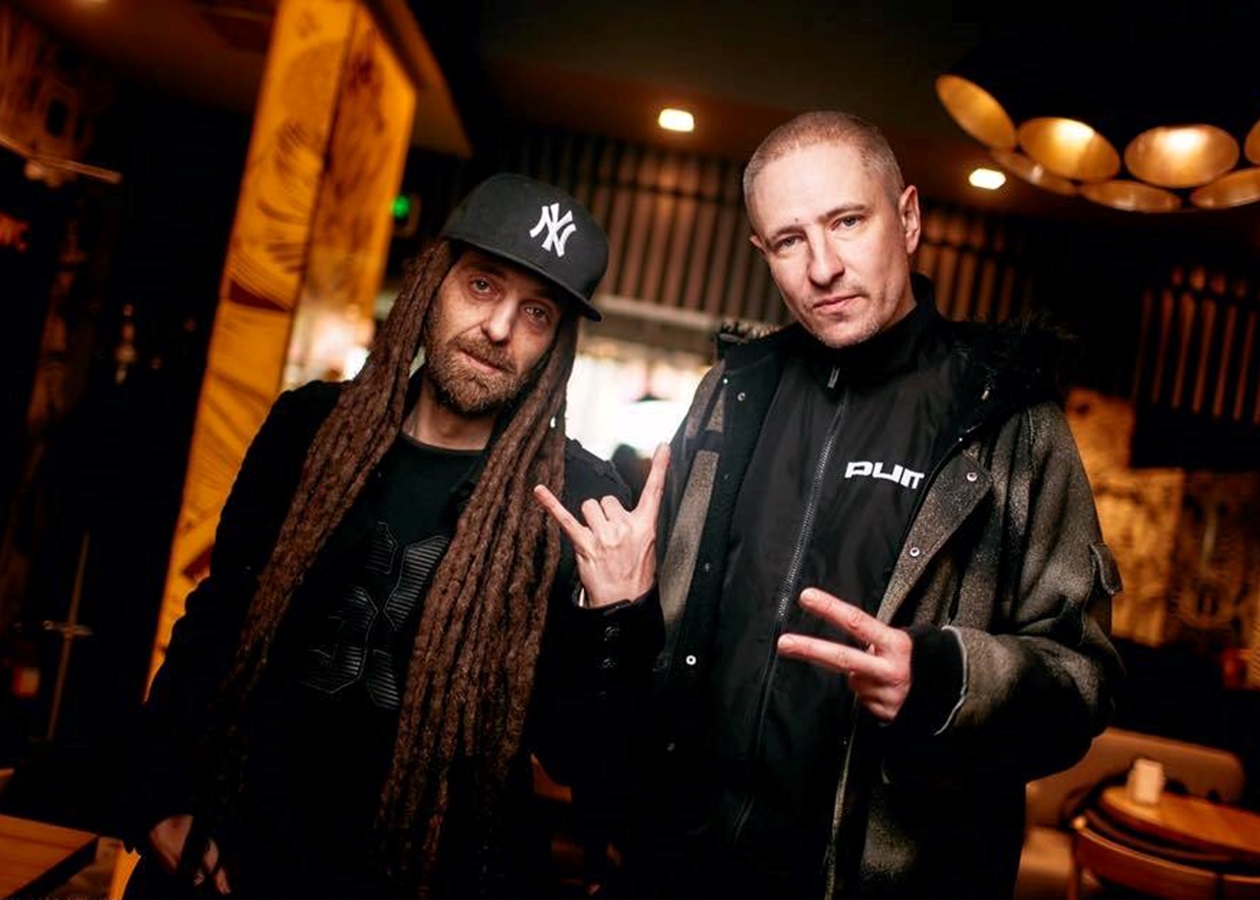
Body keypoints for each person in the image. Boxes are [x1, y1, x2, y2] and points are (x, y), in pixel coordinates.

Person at [120, 173, 666, 900]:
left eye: (536, 312)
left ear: (555, 345)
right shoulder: (310, 431)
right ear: (433, 283)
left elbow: (586, 763)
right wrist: (157, 793)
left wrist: (621, 619)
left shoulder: (580, 499)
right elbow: (216, 621)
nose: (500, 328)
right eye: (481, 286)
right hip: (235, 856)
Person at [623, 111, 1124, 900]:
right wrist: (619, 601)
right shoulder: (730, 395)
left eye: (847, 222)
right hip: (686, 867)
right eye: (789, 241)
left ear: (908, 218)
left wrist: (944, 679)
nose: (822, 267)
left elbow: (1084, 679)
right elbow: (668, 638)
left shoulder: (1007, 423)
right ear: (763, 253)